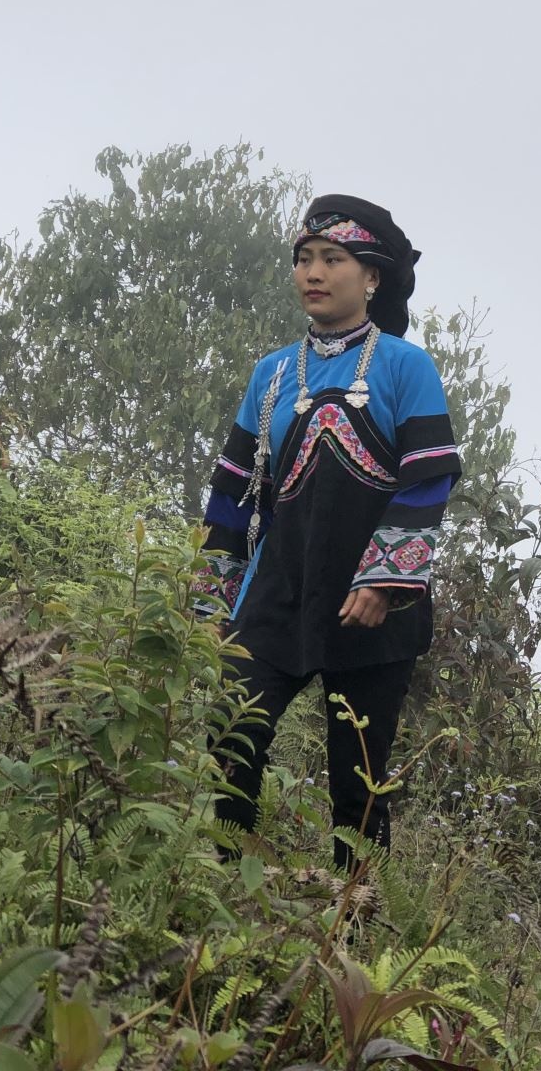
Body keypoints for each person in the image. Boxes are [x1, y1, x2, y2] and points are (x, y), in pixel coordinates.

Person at [201, 194, 462, 868]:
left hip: (372, 607)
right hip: (277, 594)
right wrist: (212, 599)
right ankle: (219, 894)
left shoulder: (407, 368)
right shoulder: (273, 374)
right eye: (304, 259)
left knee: (359, 783)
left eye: (333, 259)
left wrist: (385, 580)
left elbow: (428, 480)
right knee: (231, 733)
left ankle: (355, 926)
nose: (313, 272)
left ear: (371, 277)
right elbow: (232, 493)